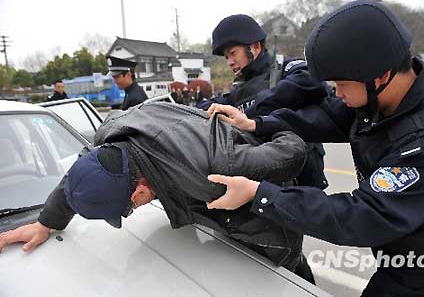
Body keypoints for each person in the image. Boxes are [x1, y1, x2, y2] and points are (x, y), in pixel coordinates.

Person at [205, 0, 424, 296]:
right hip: (402, 255)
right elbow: (329, 116)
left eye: (341, 83)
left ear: (380, 76)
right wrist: (257, 124)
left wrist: (261, 195)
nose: (337, 91)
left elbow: (364, 214)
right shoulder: (387, 98)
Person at [0, 102, 313, 280]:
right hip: (216, 221)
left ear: (138, 192)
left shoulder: (215, 172)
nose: (131, 211)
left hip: (267, 236)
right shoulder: (111, 136)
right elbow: (76, 175)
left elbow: (294, 152)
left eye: (128, 209)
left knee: (293, 280)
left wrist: (256, 124)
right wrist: (46, 223)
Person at [199, 13, 330, 190]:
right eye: (226, 57)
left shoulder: (287, 68)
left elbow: (314, 82)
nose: (229, 62)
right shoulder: (239, 89)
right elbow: (217, 103)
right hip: (261, 186)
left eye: (232, 53)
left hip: (302, 183)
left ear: (255, 46)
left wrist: (253, 111)